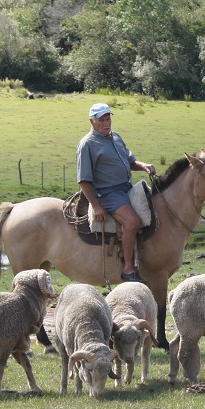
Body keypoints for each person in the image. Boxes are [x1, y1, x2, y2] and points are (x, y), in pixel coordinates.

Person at [77, 102, 156, 283]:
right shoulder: (87, 144)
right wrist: (96, 206)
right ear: (92, 122)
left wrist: (143, 166)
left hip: (126, 187)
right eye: (101, 120)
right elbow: (84, 180)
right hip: (108, 194)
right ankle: (128, 269)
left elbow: (130, 161)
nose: (106, 123)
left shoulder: (116, 138)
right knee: (133, 222)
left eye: (108, 119)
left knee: (156, 207)